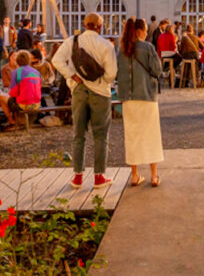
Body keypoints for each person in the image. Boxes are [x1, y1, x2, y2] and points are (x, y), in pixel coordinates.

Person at [52, 12, 117, 189]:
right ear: (100, 26)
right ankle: (99, 177)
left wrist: (72, 75)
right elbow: (111, 75)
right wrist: (101, 80)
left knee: (78, 134)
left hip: (78, 91)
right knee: (100, 135)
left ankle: (78, 177)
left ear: (84, 24)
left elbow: (56, 60)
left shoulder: (72, 41)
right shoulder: (106, 45)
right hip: (100, 93)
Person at [117, 18, 163, 187]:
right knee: (151, 135)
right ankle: (153, 175)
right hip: (146, 96)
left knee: (132, 136)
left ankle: (135, 175)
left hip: (128, 98)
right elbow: (157, 70)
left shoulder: (121, 49)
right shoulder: (148, 47)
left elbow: (117, 71)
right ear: (142, 31)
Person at [1, 50, 41, 130]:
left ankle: (12, 122)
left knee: (1, 98)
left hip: (24, 105)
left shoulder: (16, 72)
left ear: (17, 60)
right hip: (37, 104)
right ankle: (17, 121)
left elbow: (12, 93)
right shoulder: (36, 72)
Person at [0, 50, 18, 127]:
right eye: (13, 56)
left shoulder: (20, 68)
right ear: (10, 57)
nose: (14, 58)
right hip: (9, 90)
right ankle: (11, 119)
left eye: (16, 56)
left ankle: (12, 120)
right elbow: (6, 83)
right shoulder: (5, 68)